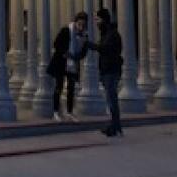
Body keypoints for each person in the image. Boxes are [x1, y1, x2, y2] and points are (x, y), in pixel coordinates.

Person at [87, 8, 124, 137]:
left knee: (111, 99)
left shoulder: (112, 34)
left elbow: (105, 48)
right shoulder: (107, 33)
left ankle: (115, 126)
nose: (97, 23)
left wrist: (91, 45)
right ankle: (115, 126)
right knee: (111, 98)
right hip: (108, 70)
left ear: (104, 19)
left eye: (98, 19)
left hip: (111, 70)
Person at [49, 12, 89, 122]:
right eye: (79, 24)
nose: (80, 27)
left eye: (83, 25)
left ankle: (69, 112)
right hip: (61, 62)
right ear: (75, 22)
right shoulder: (66, 30)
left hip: (72, 64)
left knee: (71, 89)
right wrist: (64, 53)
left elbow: (84, 52)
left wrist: (78, 55)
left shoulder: (84, 36)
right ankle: (56, 112)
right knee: (59, 86)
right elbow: (56, 44)